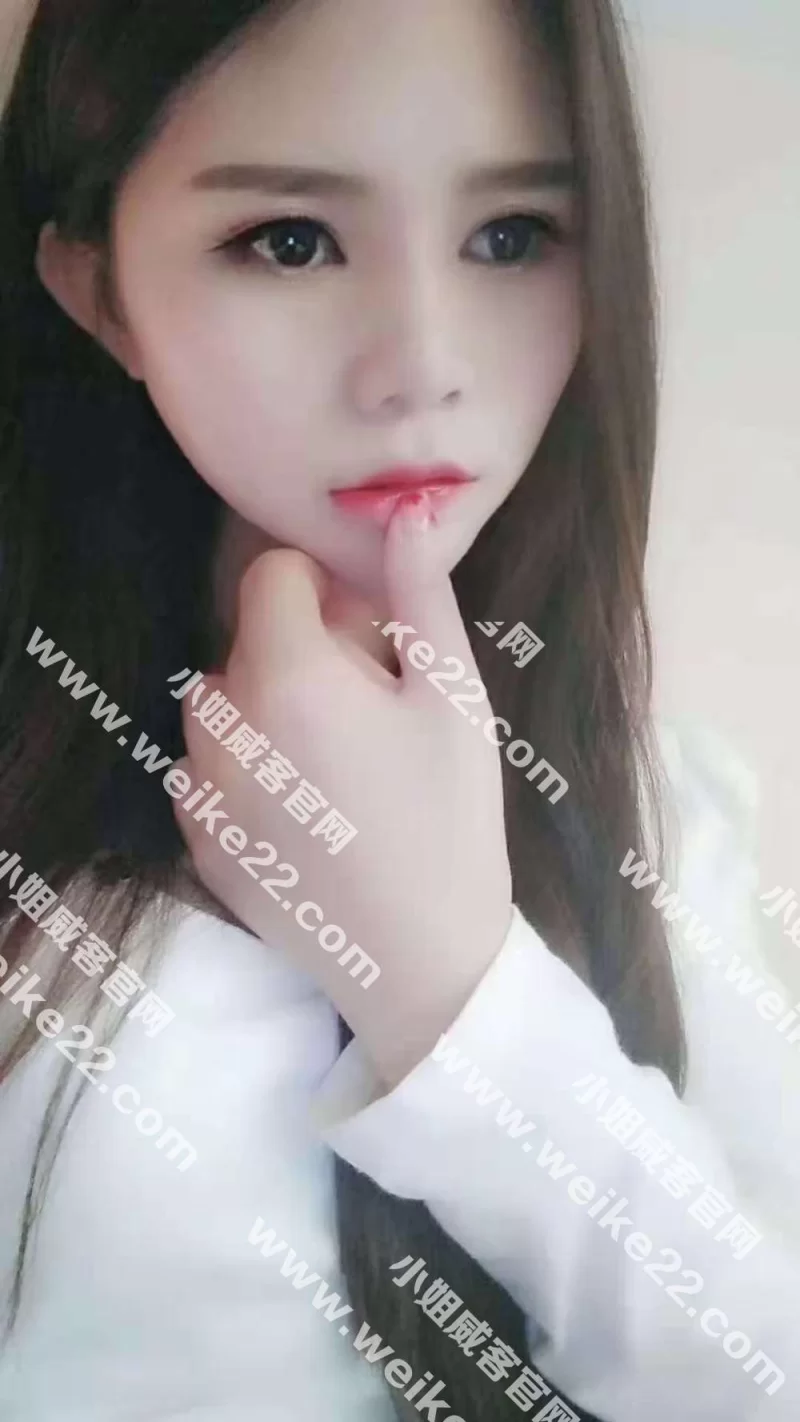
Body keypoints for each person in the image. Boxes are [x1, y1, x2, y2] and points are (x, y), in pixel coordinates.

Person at [0, 0, 797, 1419]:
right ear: (99, 288)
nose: (424, 362)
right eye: (290, 241)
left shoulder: (666, 816)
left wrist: (456, 997)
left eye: (512, 236)